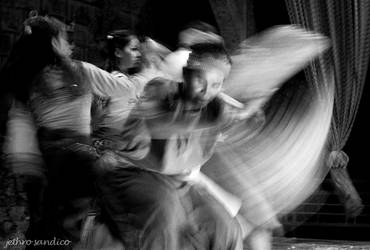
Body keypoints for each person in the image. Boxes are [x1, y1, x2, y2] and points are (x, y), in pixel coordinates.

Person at [0, 14, 157, 249]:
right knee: (76, 220)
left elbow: (20, 123)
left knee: (47, 221)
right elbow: (128, 89)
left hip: (44, 157)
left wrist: (28, 165)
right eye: (65, 39)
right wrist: (151, 65)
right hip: (77, 155)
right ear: (53, 43)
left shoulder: (26, 75)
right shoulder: (80, 70)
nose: (70, 45)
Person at [94, 42, 253, 250]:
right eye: (199, 80)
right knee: (163, 216)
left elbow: (237, 120)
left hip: (178, 181)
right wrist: (214, 119)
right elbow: (158, 125)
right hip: (132, 172)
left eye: (216, 85)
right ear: (186, 74)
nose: (205, 91)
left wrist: (249, 117)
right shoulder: (159, 89)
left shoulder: (216, 106)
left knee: (225, 227)